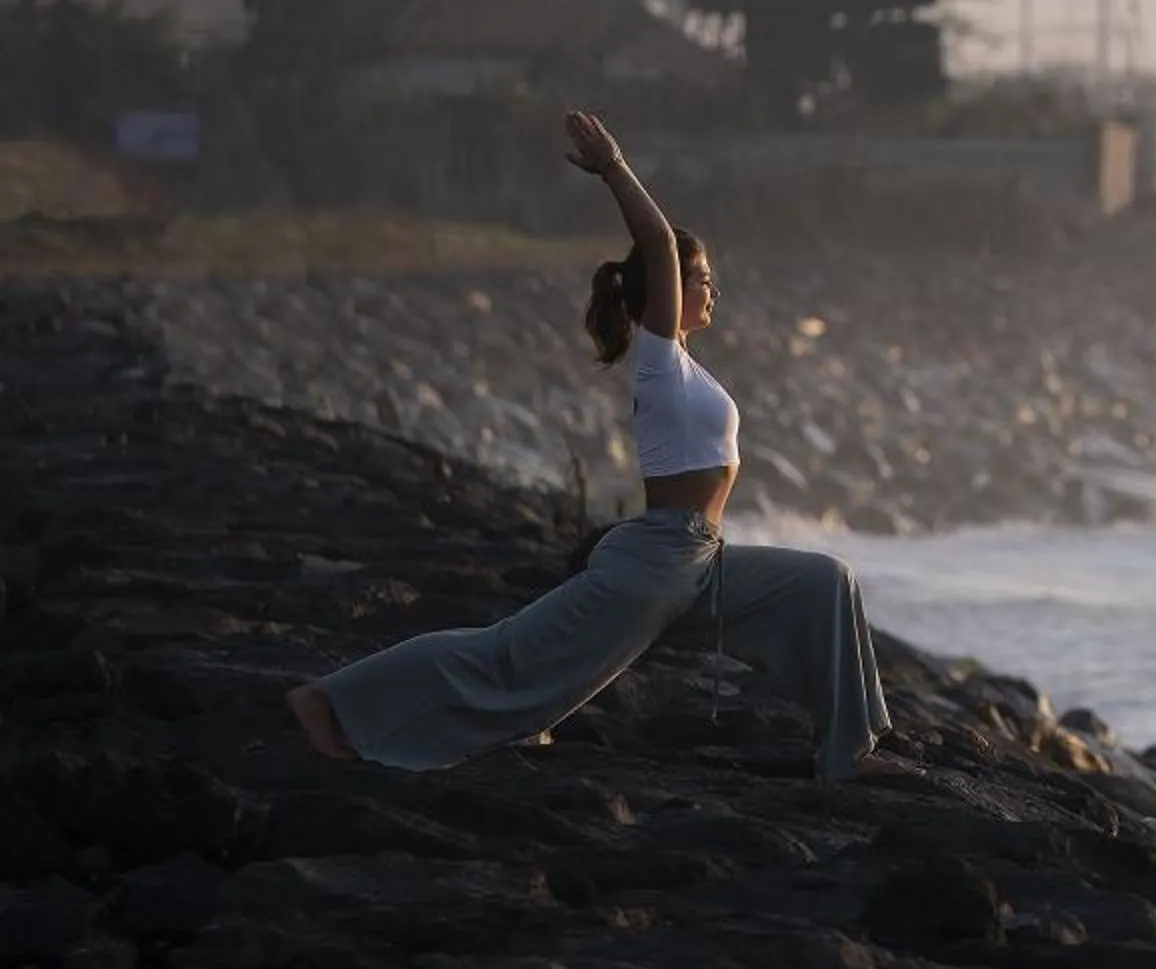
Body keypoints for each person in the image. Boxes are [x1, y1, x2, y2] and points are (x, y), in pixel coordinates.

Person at [285, 110, 916, 781]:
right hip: (654, 564)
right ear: (667, 291)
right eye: (703, 278)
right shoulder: (658, 360)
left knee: (826, 582)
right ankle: (328, 698)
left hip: (703, 562)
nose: (713, 289)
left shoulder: (687, 367)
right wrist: (615, 168)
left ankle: (849, 754)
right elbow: (659, 244)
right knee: (503, 657)